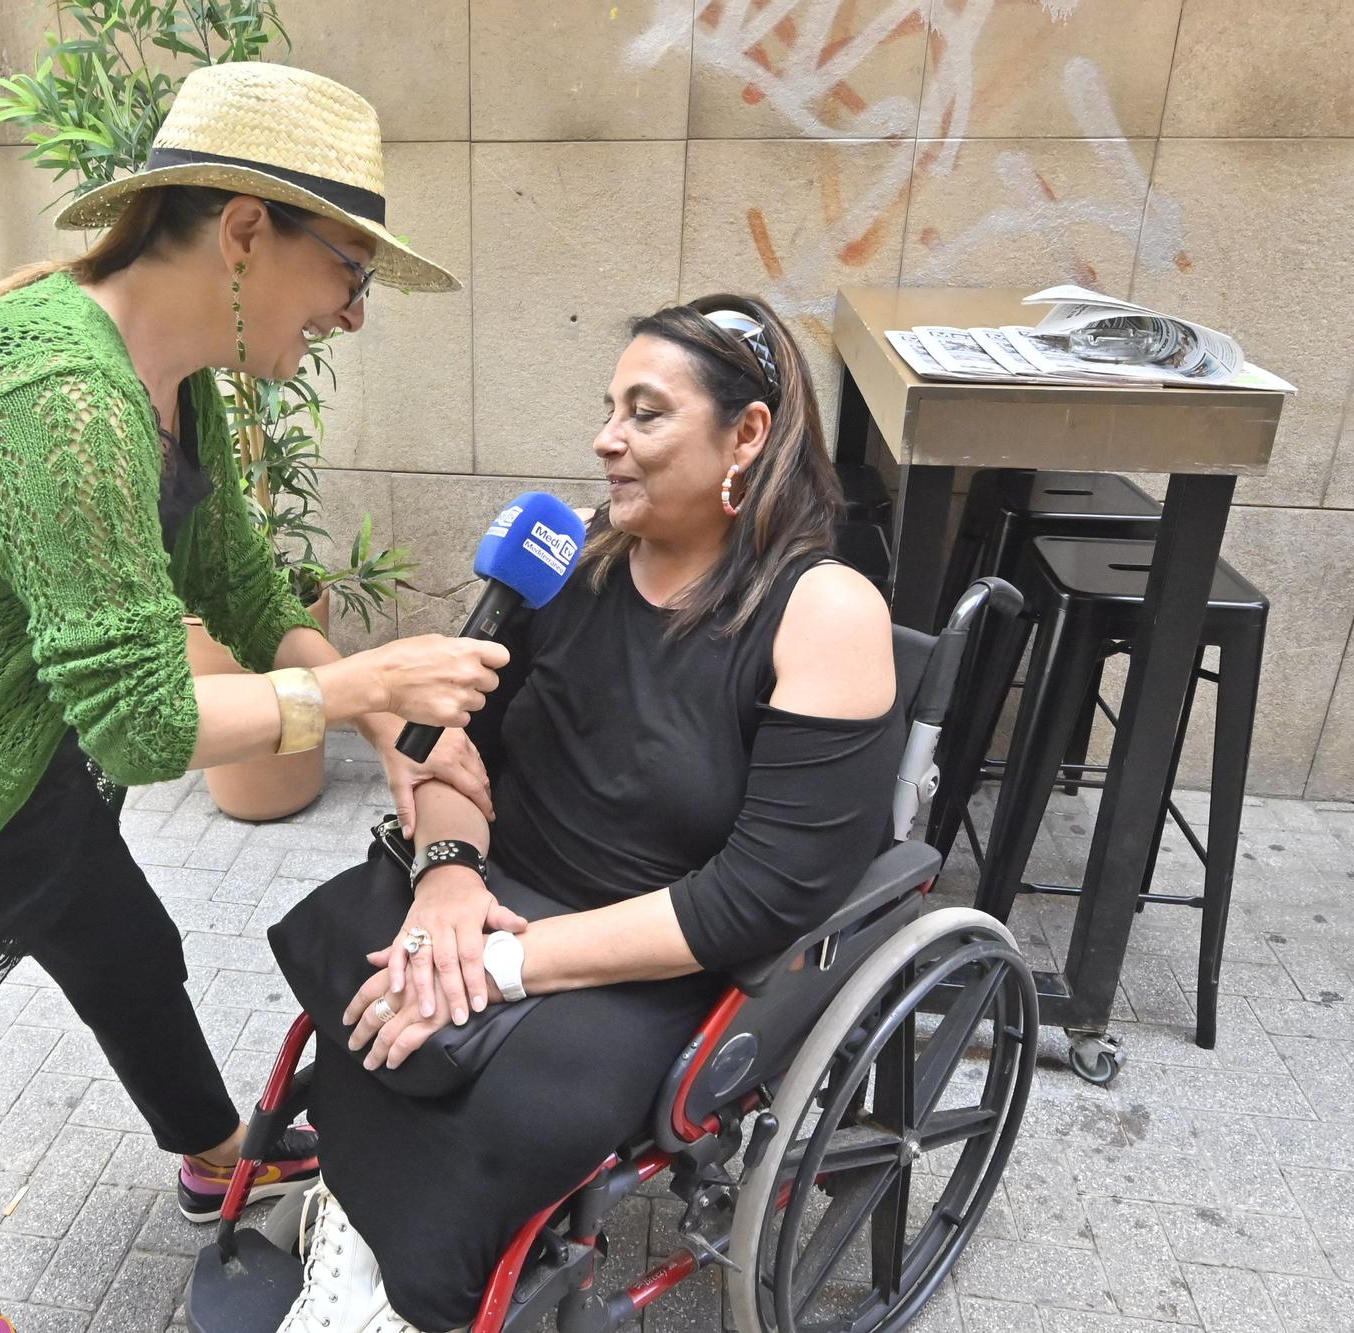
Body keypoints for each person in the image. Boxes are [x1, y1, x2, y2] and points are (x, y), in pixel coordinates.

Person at [0, 63, 508, 1333]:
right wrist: (360, 680)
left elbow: (237, 581)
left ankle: (208, 1149)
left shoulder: (166, 373)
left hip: (7, 757)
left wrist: (380, 723)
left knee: (128, 949)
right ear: (244, 228)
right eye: (348, 269)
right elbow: (142, 725)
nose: (354, 312)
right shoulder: (59, 391)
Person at [274, 295, 907, 1332]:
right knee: (367, 953)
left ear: (745, 435)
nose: (603, 438)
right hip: (485, 889)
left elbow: (756, 897)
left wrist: (498, 965)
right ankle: (355, 1237)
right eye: (608, 406)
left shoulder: (823, 611)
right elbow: (448, 745)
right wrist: (444, 882)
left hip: (653, 948)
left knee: (516, 1087)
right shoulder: (565, 561)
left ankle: (408, 1287)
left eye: (645, 413)